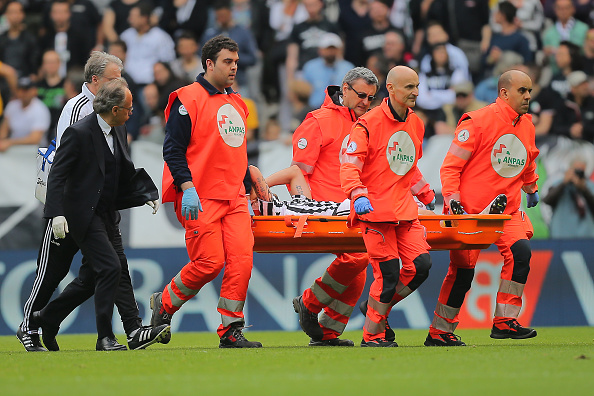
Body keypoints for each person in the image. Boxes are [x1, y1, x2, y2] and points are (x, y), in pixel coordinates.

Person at [17, 52, 165, 352]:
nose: (120, 83)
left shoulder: (116, 117)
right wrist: (59, 211)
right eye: (114, 78)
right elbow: (64, 164)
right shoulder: (80, 111)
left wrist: (140, 192)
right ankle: (29, 325)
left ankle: (128, 329)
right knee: (53, 271)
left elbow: (116, 163)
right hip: (74, 209)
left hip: (100, 208)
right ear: (95, 80)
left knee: (103, 272)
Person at [149, 35, 262, 349]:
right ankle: (165, 303)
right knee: (209, 263)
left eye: (236, 62)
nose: (234, 67)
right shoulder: (187, 99)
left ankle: (230, 329)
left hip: (235, 197)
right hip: (201, 196)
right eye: (228, 61)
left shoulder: (238, 103)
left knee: (241, 261)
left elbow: (233, 151)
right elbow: (172, 151)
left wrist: (248, 178)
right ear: (209, 63)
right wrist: (186, 187)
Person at [425, 69, 540, 347]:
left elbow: (526, 161)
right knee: (462, 273)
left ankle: (504, 322)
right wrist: (452, 199)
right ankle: (440, 332)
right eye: (522, 91)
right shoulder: (476, 122)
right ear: (504, 93)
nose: (527, 96)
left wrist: (531, 187)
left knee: (520, 254)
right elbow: (451, 166)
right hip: (470, 214)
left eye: (529, 91)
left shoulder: (526, 125)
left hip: (505, 212)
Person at [339, 65, 433, 347]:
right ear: (390, 90)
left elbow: (408, 167)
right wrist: (358, 193)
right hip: (375, 212)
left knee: (420, 266)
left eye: (417, 86)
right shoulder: (367, 124)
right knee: (389, 274)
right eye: (409, 87)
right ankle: (373, 336)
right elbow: (349, 167)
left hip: (404, 211)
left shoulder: (416, 124)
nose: (415, 92)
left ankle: (375, 308)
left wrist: (426, 194)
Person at [542, 156, 594, 238]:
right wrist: (564, 183)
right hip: (561, 235)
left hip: (586, 236)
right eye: (576, 171)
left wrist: (583, 189)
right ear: (570, 169)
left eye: (581, 171)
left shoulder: (590, 186)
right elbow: (547, 200)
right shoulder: (559, 184)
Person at [301, 33, 354, 109]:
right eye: (328, 49)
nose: (331, 52)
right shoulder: (310, 67)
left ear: (339, 50)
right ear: (320, 50)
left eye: (333, 49)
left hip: (340, 109)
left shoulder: (348, 68)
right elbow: (302, 92)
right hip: (314, 108)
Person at [0, 77, 50, 152]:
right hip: (13, 150)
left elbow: (35, 139)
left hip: (34, 151)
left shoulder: (40, 109)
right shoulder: (12, 105)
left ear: (34, 91)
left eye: (26, 90)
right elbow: (4, 129)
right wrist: (2, 141)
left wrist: (10, 142)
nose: (22, 93)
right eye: (20, 90)